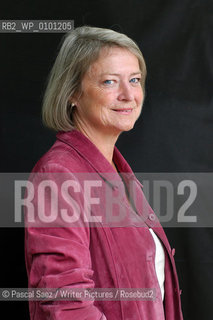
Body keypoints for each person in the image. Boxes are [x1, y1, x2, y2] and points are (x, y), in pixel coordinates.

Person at [25, 26, 183, 320]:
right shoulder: (58, 174)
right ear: (72, 92)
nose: (128, 95)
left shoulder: (119, 173)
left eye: (134, 80)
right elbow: (65, 303)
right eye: (110, 81)